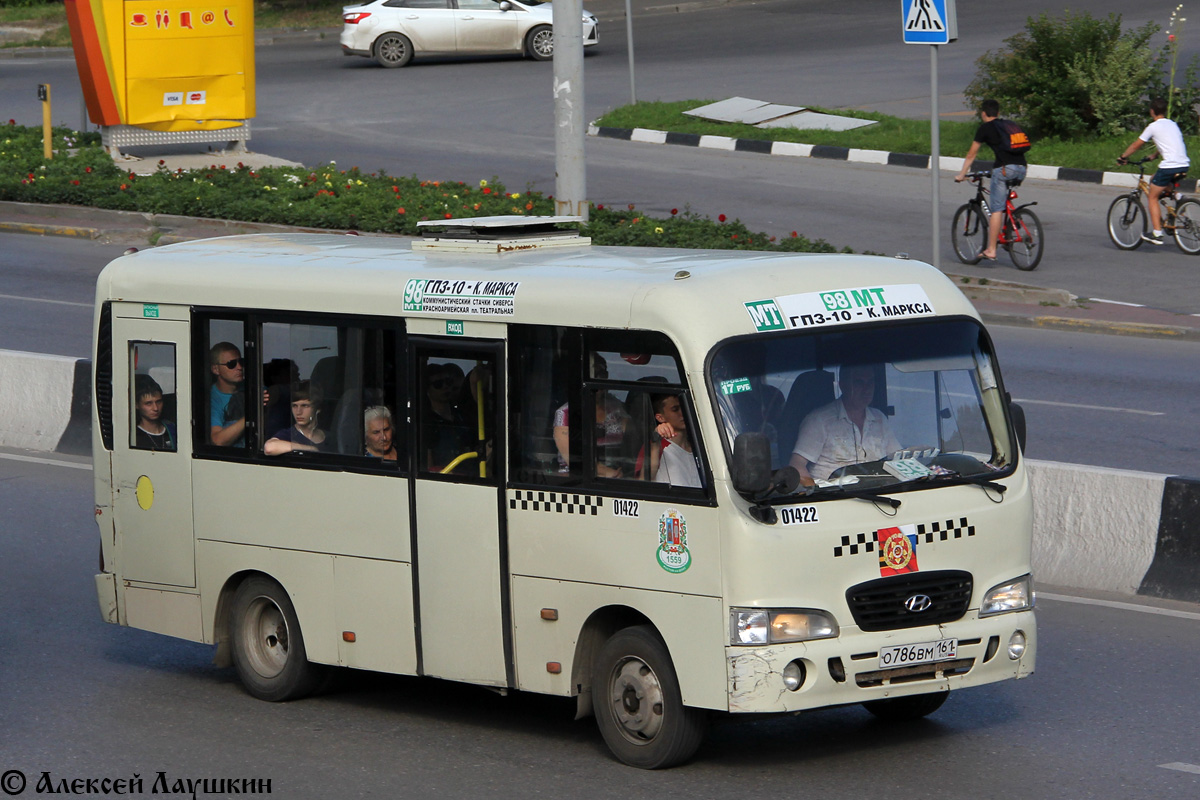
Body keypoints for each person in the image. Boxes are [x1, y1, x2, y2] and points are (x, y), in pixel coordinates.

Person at [789, 364, 901, 486]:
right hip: (834, 499)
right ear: (843, 385)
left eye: (870, 382)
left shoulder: (879, 418)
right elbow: (796, 465)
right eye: (859, 383)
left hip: (880, 495)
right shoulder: (819, 420)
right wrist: (814, 493)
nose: (867, 389)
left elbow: (898, 458)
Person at [955, 99, 1029, 262]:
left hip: (1004, 169)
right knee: (1003, 197)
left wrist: (962, 175)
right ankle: (1012, 222)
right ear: (998, 112)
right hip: (1022, 168)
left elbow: (971, 154)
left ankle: (991, 250)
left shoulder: (985, 128)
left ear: (983, 113)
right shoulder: (1008, 125)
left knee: (997, 209)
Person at [1119, 97, 1191, 245]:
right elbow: (1169, 142)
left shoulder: (1153, 126)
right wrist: (1155, 155)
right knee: (1154, 180)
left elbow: (1136, 145)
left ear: (1152, 111)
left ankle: (1157, 234)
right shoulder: (1172, 124)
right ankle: (1178, 198)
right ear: (1164, 111)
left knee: (1152, 196)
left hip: (1169, 166)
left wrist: (1123, 157)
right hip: (1183, 164)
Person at [651, 393, 702, 488]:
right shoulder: (656, 447)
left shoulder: (701, 447)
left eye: (684, 407)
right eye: (675, 409)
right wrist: (655, 437)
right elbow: (643, 480)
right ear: (660, 418)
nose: (682, 413)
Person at [264, 381, 329, 455]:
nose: (298, 412)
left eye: (305, 406)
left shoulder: (329, 438)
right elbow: (269, 448)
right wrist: (310, 448)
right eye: (294, 406)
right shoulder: (288, 435)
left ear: (317, 408)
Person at [209, 341, 247, 447]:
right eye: (232, 364)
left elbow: (273, 393)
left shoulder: (250, 387)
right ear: (215, 369)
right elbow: (217, 440)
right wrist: (252, 414)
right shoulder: (212, 400)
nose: (239, 367)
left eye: (241, 362)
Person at [133, 373, 176, 451]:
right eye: (148, 403)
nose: (155, 408)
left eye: (158, 402)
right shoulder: (134, 436)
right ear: (136, 405)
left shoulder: (172, 429)